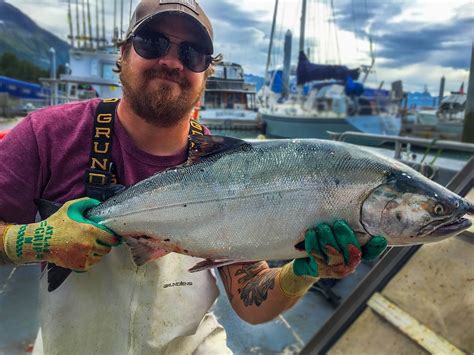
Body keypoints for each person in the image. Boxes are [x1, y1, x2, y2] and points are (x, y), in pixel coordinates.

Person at [0, 0, 387, 353]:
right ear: (123, 52)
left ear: (207, 71)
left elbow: (251, 302)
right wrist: (30, 240)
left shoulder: (237, 168)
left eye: (192, 53)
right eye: (152, 42)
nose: (172, 61)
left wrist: (306, 271)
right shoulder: (48, 135)